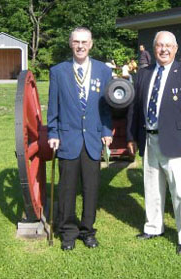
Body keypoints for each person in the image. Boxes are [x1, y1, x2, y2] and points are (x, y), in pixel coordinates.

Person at [126, 31, 181, 256]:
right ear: (153, 48)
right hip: (149, 139)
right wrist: (132, 137)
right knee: (152, 187)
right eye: (160, 45)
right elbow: (134, 109)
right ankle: (153, 227)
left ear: (176, 48)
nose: (164, 50)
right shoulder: (143, 74)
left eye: (168, 46)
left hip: (178, 142)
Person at [47, 27, 113, 251]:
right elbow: (53, 107)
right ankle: (67, 232)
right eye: (76, 41)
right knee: (66, 189)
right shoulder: (58, 71)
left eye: (84, 42)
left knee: (91, 189)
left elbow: (106, 108)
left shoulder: (104, 71)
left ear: (91, 44)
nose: (80, 46)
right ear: (70, 44)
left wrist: (106, 131)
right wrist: (53, 133)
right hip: (68, 139)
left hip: (93, 139)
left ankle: (87, 231)